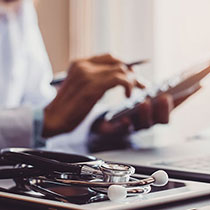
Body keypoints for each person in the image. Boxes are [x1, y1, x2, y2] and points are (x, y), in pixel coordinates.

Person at [0, 0, 172, 153]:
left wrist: (97, 127)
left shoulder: (20, 7)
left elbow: (35, 107)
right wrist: (44, 121)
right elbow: (40, 121)